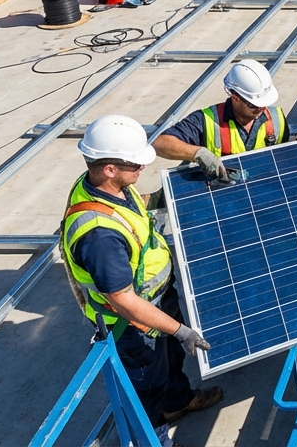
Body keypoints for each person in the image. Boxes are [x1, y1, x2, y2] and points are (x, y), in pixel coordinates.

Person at [62, 114, 223, 440]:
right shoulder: (99, 236)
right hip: (133, 325)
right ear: (109, 168)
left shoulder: (105, 185)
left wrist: (171, 194)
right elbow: (123, 300)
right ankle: (156, 440)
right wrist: (180, 330)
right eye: (135, 164)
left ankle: (179, 401)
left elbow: (136, 208)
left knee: (172, 362)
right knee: (148, 388)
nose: (142, 168)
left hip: (158, 299)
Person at [153, 60, 288, 180]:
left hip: (264, 190)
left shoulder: (277, 119)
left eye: (264, 104)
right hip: (222, 197)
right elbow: (159, 143)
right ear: (235, 97)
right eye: (253, 105)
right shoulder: (206, 120)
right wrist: (197, 153)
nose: (260, 109)